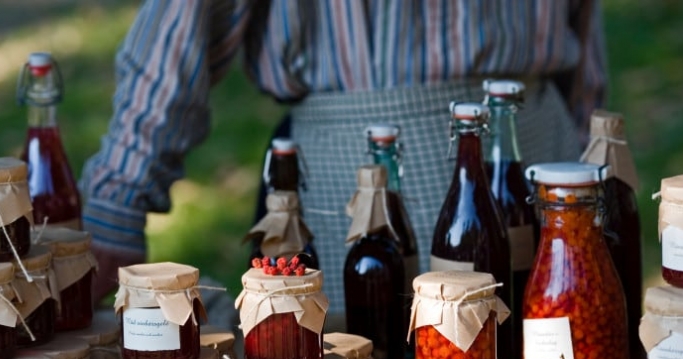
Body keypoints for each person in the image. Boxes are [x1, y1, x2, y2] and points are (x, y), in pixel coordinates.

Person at [80, 0, 606, 317]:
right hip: (340, 189)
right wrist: (118, 200)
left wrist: (589, 179)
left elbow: (583, 30)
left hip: (534, 160)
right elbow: (184, 19)